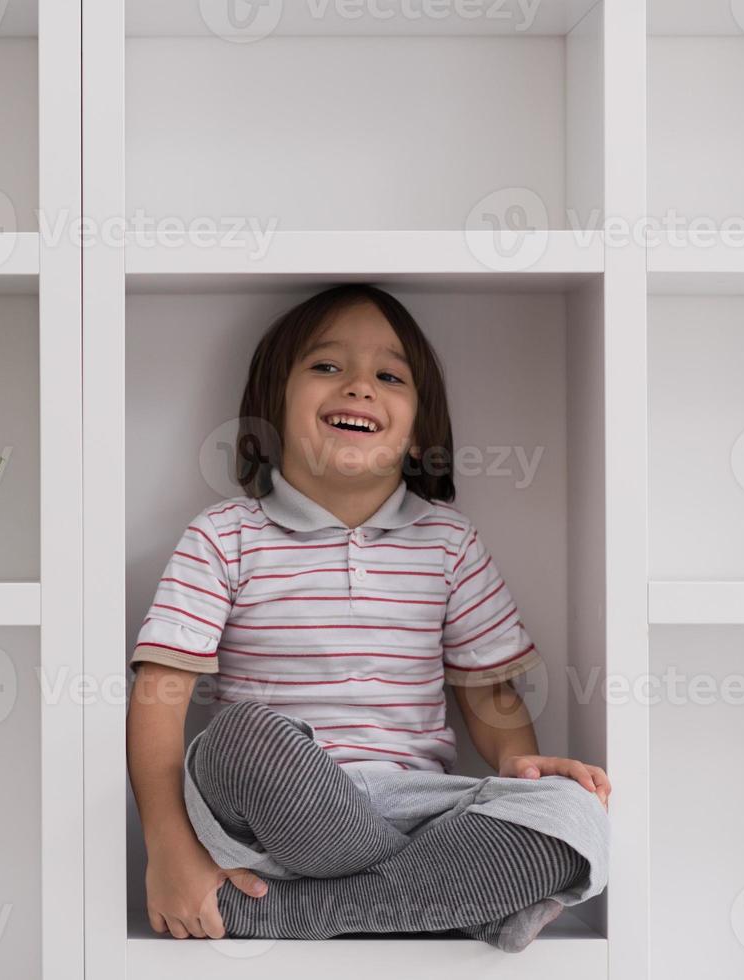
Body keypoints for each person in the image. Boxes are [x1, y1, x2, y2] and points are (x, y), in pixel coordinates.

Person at [126, 284, 611, 951]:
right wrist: (168, 850)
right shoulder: (226, 534)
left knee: (574, 814)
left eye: (388, 376)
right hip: (268, 815)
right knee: (239, 736)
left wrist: (521, 764)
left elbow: (487, 691)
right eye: (326, 367)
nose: (358, 388)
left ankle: (296, 914)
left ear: (419, 434)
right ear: (272, 405)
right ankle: (448, 902)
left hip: (417, 811)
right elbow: (159, 695)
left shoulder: (448, 543)